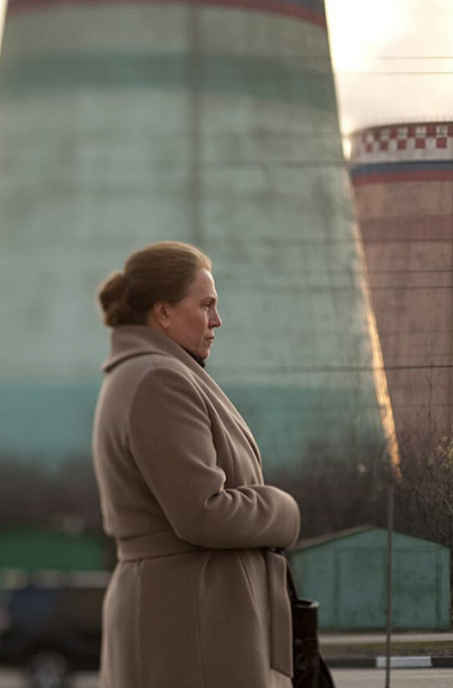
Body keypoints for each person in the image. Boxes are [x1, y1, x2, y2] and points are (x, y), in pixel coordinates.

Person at [91, 241, 300, 688]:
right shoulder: (158, 379)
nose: (217, 320)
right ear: (163, 312)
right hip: (189, 627)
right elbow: (201, 512)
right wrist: (284, 510)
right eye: (206, 305)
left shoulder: (153, 372)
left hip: (187, 620)